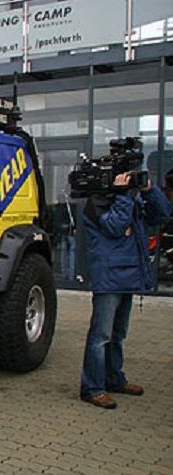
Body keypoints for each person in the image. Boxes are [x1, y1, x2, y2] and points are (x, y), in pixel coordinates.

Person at [79, 170, 171, 409]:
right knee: (100, 336)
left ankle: (114, 379)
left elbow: (162, 214)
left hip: (127, 275)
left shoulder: (132, 198)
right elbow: (114, 228)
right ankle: (93, 389)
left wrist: (149, 190)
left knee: (117, 335)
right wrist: (122, 196)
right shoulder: (97, 202)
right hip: (109, 277)